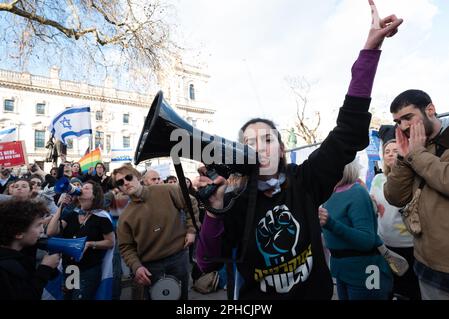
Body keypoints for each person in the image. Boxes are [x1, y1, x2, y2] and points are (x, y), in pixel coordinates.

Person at [195, 5, 403, 300]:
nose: (258, 148)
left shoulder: (305, 180)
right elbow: (207, 262)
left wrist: (370, 50)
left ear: (281, 149)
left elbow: (347, 130)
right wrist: (214, 210)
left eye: (266, 139)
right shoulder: (234, 201)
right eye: (249, 142)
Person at [384, 89, 449, 300]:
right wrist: (403, 159)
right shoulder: (414, 151)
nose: (403, 126)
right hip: (426, 266)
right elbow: (394, 197)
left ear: (430, 110)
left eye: (408, 117)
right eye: (397, 121)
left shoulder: (419, 151)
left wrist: (416, 154)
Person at [113, 164, 197, 300]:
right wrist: (136, 267)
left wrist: (191, 230)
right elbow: (126, 247)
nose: (126, 183)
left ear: (138, 177)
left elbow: (190, 203)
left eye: (128, 177)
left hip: (178, 257)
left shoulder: (166, 190)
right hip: (150, 266)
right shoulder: (125, 217)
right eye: (120, 182)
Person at [320, 160, 393, 300]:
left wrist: (330, 223)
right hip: (342, 272)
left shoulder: (357, 192)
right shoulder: (330, 194)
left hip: (365, 273)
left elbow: (367, 240)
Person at [46, 180, 114, 300]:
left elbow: (110, 242)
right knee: (68, 297)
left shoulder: (102, 217)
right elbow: (51, 232)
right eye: (82, 187)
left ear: (94, 195)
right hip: (70, 268)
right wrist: (61, 206)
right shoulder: (72, 215)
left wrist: (89, 244)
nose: (82, 189)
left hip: (88, 270)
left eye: (87, 188)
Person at [370, 139, 421, 299]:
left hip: (409, 244)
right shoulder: (378, 179)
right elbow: (374, 208)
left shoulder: (413, 179)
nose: (391, 153)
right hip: (385, 244)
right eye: (387, 151)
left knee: (411, 287)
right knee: (391, 285)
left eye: (395, 150)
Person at [0, 199, 60, 300]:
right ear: (18, 233)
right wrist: (45, 268)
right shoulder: (5, 268)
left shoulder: (23, 252)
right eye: (38, 225)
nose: (42, 230)